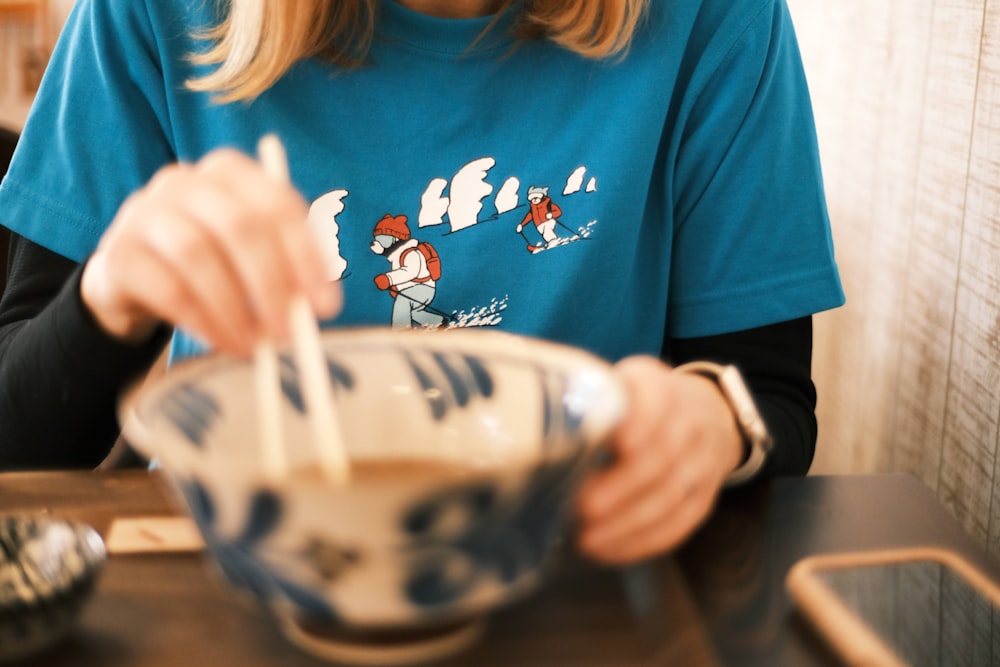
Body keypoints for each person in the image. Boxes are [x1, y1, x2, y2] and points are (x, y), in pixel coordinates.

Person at [0, 0, 844, 566]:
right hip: (227, 579)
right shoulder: (149, 15)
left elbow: (768, 396)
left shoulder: (716, 20)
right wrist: (107, 298)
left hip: (569, 583)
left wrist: (705, 424)